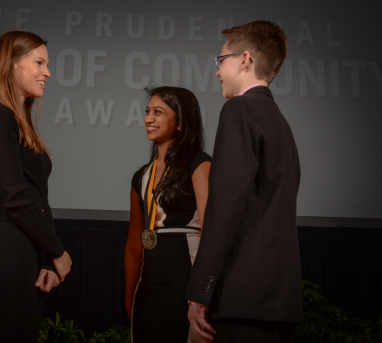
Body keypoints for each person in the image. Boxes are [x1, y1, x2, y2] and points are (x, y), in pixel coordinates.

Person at [186, 21, 303, 342]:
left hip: (244, 295)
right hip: (277, 299)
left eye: (220, 61)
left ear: (245, 60)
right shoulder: (281, 123)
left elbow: (225, 207)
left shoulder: (239, 110)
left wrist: (200, 291)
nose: (217, 71)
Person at [0, 31, 72, 342]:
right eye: (39, 62)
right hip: (5, 254)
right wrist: (58, 252)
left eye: (47, 64)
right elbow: (16, 197)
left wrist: (44, 260)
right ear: (12, 65)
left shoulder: (14, 119)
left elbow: (36, 198)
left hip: (22, 253)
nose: (47, 73)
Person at [124, 86, 211, 342]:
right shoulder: (141, 177)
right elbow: (133, 245)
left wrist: (204, 294)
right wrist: (130, 297)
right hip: (149, 288)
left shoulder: (200, 164)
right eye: (148, 111)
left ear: (181, 122)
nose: (148, 118)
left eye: (158, 112)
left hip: (186, 282)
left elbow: (212, 234)